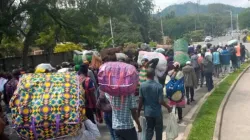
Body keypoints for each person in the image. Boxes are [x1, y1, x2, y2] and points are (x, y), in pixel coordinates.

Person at [138, 68, 171, 140]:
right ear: (154, 75)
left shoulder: (142, 85)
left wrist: (138, 111)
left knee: (149, 130)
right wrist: (168, 107)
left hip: (148, 113)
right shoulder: (159, 86)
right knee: (159, 131)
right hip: (157, 113)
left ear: (146, 75)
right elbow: (160, 101)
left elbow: (140, 100)